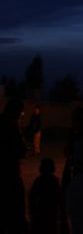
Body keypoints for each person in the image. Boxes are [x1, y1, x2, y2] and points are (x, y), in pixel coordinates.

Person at [62, 108, 83, 234]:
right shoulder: (77, 135)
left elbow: (74, 157)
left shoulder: (82, 137)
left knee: (80, 216)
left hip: (82, 176)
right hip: (80, 176)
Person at [0, 98, 28, 234]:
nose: (21, 115)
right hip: (10, 176)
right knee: (15, 213)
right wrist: (18, 130)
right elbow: (22, 150)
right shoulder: (11, 127)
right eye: (21, 113)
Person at [29, 158, 61, 234]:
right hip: (51, 212)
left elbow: (32, 197)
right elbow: (58, 198)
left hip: (41, 212)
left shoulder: (39, 180)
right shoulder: (54, 181)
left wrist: (33, 210)